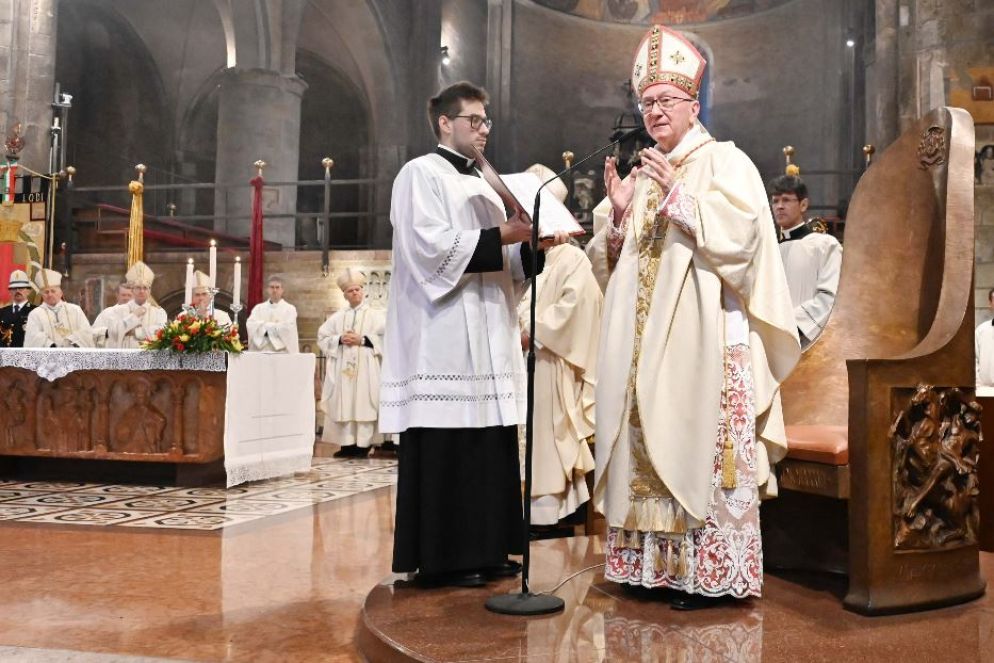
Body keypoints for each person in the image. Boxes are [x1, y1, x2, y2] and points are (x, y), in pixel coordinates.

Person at [585, 25, 800, 609]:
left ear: (694, 104)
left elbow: (746, 241)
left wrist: (680, 197)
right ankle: (647, 570)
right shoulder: (641, 175)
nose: (654, 111)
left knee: (697, 446)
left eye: (666, 100)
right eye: (646, 102)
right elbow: (614, 268)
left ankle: (702, 575)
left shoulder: (726, 161)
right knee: (641, 444)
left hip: (708, 341)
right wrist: (618, 221)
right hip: (642, 346)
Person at [381, 81, 568, 588]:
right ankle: (446, 560)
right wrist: (504, 234)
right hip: (442, 335)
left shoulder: (489, 186)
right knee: (450, 448)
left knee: (489, 443)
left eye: (487, 121)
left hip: (488, 331)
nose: (484, 129)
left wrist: (532, 248)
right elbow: (427, 249)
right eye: (474, 120)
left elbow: (508, 268)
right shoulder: (419, 174)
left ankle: (488, 550)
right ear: (445, 123)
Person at [516, 164, 602, 527]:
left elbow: (576, 308)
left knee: (548, 438)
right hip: (528, 361)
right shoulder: (538, 261)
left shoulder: (571, 258)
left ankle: (549, 515)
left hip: (551, 362)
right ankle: (527, 513)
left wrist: (531, 333)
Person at [317, 268, 385, 458]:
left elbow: (386, 337)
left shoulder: (376, 315)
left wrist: (362, 340)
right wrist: (339, 339)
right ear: (344, 295)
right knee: (344, 404)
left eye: (357, 289)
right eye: (350, 290)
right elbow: (322, 337)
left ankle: (363, 445)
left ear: (363, 291)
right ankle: (347, 445)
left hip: (366, 368)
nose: (354, 293)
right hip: (343, 369)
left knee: (364, 403)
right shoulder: (338, 317)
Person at [770, 175, 842, 348]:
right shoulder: (770, 251)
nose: (779, 206)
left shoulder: (825, 245)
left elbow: (831, 297)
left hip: (810, 339)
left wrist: (793, 325)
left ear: (803, 205)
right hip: (773, 342)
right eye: (775, 201)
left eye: (786, 200)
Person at [24, 269, 95, 348]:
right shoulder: (35, 314)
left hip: (72, 353)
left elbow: (86, 332)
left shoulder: (75, 310)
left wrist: (70, 340)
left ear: (61, 293)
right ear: (42, 296)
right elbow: (33, 336)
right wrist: (50, 344)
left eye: (53, 291)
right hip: (48, 354)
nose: (50, 294)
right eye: (46, 292)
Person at [106, 261, 167, 349]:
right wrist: (133, 316)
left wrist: (135, 332)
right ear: (132, 290)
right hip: (125, 354)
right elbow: (113, 332)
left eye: (145, 288)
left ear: (149, 291)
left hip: (149, 355)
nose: (141, 291)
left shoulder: (158, 312)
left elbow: (161, 332)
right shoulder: (119, 310)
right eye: (138, 287)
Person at [246, 275, 299, 353]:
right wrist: (275, 328)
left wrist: (264, 328)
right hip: (261, 351)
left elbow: (288, 329)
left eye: (277, 287)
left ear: (282, 290)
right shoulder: (258, 308)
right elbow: (251, 325)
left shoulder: (290, 309)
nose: (274, 290)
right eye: (272, 287)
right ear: (267, 289)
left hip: (282, 352)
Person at [0, 270, 36, 347]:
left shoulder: (37, 311)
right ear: (10, 291)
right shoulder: (1, 312)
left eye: (21, 288)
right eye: (14, 288)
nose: (17, 291)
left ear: (28, 291)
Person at [975, 289, 994, 387]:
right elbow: (973, 360)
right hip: (985, 390)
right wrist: (980, 384)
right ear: (990, 304)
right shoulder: (981, 330)